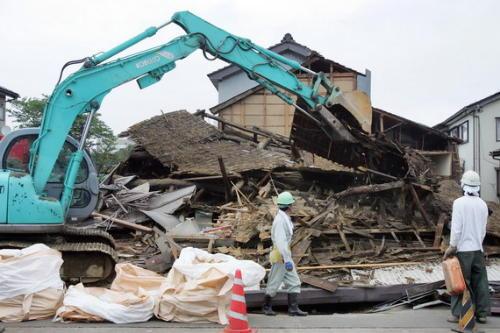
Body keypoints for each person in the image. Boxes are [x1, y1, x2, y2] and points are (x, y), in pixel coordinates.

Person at [443, 170, 490, 324]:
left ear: (463, 185)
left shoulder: (459, 203)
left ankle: (457, 314)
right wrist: (478, 243)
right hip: (478, 250)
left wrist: (452, 247)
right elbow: (483, 230)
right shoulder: (483, 204)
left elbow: (456, 228)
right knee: (481, 282)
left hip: (463, 251)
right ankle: (482, 314)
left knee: (460, 282)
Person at [262, 191, 307, 316]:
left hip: (284, 254)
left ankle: (293, 309)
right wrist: (287, 260)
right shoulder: (280, 221)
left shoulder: (283, 218)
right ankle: (266, 307)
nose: (293, 207)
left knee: (294, 282)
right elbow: (281, 242)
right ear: (289, 206)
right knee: (274, 281)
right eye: (292, 204)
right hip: (281, 256)